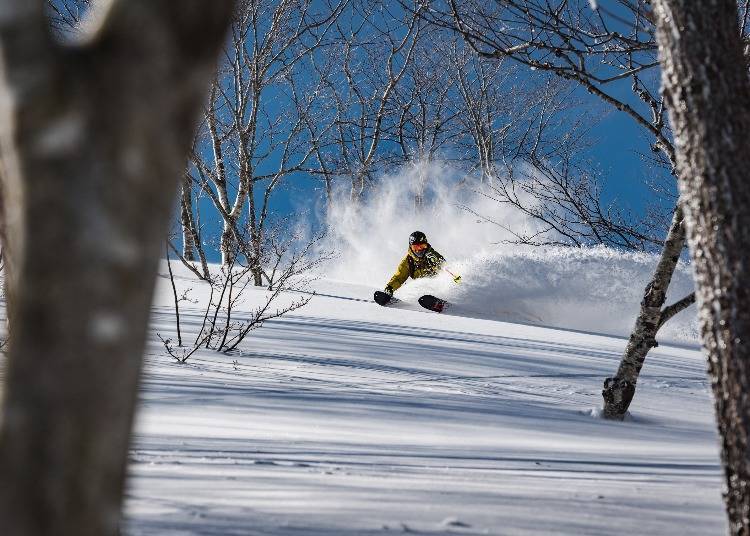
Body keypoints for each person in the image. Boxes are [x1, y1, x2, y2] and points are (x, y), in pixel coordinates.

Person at [384, 231, 447, 297]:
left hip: (438, 288)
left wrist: (435, 263)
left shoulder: (433, 255)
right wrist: (390, 287)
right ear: (411, 247)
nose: (419, 250)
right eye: (415, 247)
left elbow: (444, 270)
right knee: (410, 290)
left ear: (426, 245)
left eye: (422, 246)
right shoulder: (408, 261)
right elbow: (399, 276)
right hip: (421, 291)